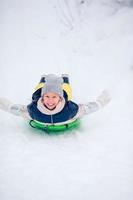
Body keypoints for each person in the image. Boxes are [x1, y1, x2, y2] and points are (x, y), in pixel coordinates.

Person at [0, 74, 111, 128]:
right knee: (38, 90)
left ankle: (65, 79)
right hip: (41, 92)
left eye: (54, 97)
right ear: (42, 98)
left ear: (60, 98)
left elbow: (86, 108)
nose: (50, 101)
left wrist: (102, 100)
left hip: (62, 92)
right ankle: (43, 79)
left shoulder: (69, 109)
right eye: (47, 97)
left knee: (67, 91)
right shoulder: (34, 110)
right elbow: (18, 110)